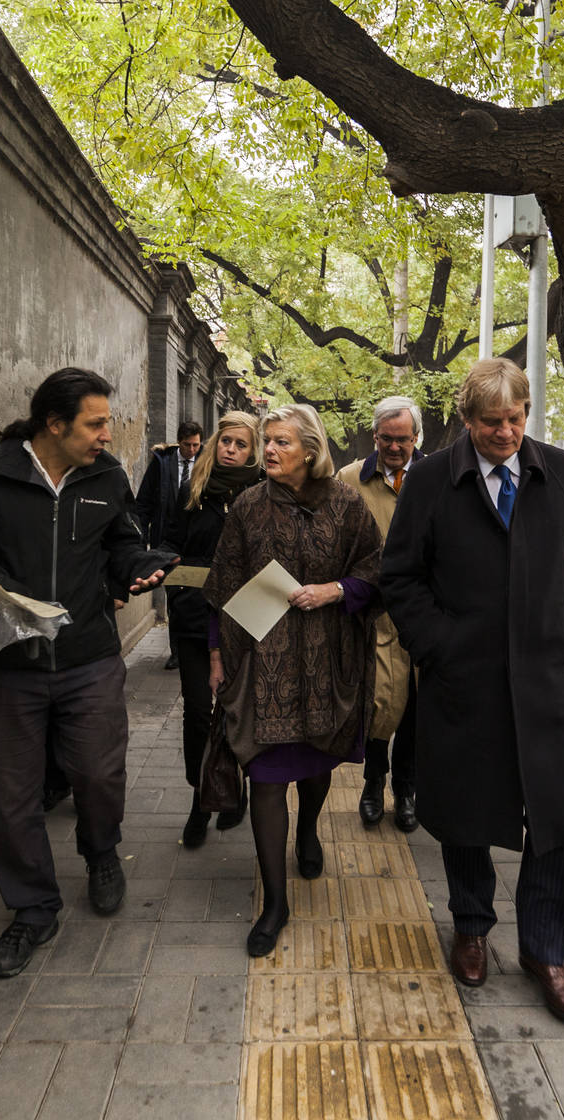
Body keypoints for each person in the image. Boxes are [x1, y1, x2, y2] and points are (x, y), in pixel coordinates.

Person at [381, 359, 564, 1023]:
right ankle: (470, 925)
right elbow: (399, 576)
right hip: (466, 680)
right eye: (491, 422)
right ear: (467, 420)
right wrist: (438, 645)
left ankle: (546, 952)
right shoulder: (433, 478)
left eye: (515, 419)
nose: (505, 433)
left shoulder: (559, 472)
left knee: (557, 814)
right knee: (466, 809)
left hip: (551, 677)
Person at [0, 368, 173, 978]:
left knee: (98, 771)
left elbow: (121, 545)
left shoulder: (106, 477)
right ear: (55, 425)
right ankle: (33, 909)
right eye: (96, 423)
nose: (107, 435)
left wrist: (137, 567)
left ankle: (102, 853)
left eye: (106, 423)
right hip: (10, 663)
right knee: (12, 794)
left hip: (90, 658)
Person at [204, 404, 382, 957]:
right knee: (265, 775)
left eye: (281, 441)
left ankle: (308, 830)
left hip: (327, 659)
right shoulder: (248, 505)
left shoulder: (347, 504)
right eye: (267, 440)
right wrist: (216, 654)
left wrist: (335, 590)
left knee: (315, 763)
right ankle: (275, 903)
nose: (269, 450)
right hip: (263, 662)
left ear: (310, 449)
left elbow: (377, 569)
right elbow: (223, 582)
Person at [161, 411, 264, 847]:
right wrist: (169, 566)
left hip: (246, 619)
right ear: (214, 443)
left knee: (238, 710)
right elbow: (169, 540)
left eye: (241, 444)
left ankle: (235, 789)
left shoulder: (263, 492)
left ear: (252, 451)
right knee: (198, 711)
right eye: (226, 442)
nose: (231, 450)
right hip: (194, 614)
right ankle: (200, 798)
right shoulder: (193, 489)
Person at [334, 395, 424, 833]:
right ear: (375, 436)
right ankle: (373, 783)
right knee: (378, 705)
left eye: (403, 439)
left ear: (416, 438)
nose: (394, 447)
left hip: (422, 614)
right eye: (386, 438)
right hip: (373, 614)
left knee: (416, 709)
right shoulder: (350, 479)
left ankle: (406, 790)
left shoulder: (433, 477)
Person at [136, 421, 206, 668]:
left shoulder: (206, 462)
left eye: (196, 445)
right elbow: (144, 502)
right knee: (174, 596)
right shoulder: (162, 463)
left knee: (194, 595)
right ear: (179, 442)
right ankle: (177, 652)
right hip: (168, 542)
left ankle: (197, 648)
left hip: (195, 543)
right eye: (187, 445)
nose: (192, 450)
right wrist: (141, 541)